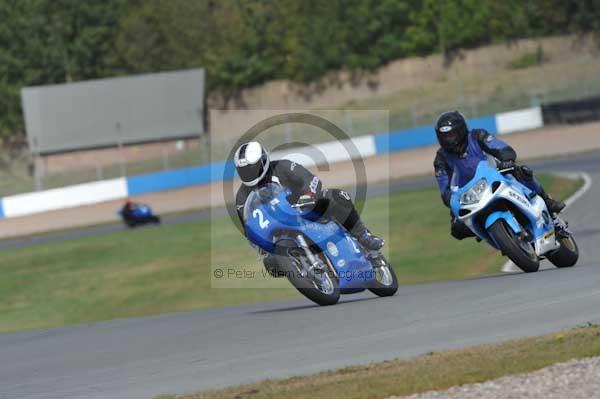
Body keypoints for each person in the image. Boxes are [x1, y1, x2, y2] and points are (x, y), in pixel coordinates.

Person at [433, 111, 565, 240]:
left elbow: (498, 146)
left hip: (494, 176)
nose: (449, 140)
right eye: (445, 136)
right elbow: (443, 184)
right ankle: (493, 235)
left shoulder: (477, 135)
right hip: (468, 195)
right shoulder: (441, 158)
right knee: (457, 230)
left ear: (461, 131)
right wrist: (448, 197)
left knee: (522, 171)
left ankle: (548, 202)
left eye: (452, 135)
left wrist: (506, 158)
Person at [234, 141, 384, 254]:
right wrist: (261, 245)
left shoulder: (283, 167)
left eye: (252, 168)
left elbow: (310, 179)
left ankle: (363, 236)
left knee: (337, 196)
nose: (249, 173)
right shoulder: (242, 197)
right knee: (272, 265)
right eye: (244, 170)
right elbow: (249, 229)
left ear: (263, 160)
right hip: (279, 230)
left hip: (307, 210)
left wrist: (308, 195)